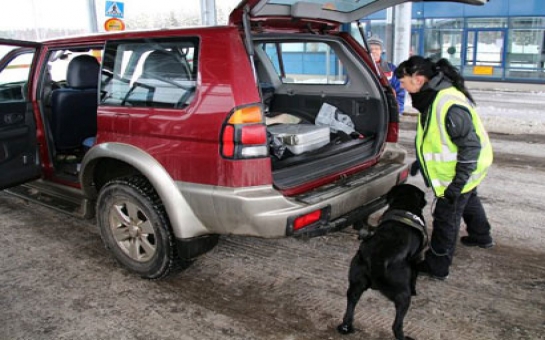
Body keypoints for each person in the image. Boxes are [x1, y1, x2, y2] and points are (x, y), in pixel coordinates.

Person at [394, 56, 494, 280]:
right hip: (467, 170)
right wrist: (422, 162)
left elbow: (470, 148)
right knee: (469, 199)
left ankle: (437, 265)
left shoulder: (447, 104)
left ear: (418, 79)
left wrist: (456, 185)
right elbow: (437, 140)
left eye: (403, 81)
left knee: (446, 217)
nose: (401, 85)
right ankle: (481, 235)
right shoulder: (432, 98)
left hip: (462, 170)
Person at [367, 36, 405, 115]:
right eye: (371, 49)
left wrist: (398, 110)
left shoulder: (391, 69)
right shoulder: (360, 66)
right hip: (368, 109)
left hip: (387, 111)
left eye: (377, 49)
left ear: (381, 51)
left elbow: (400, 90)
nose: (374, 51)